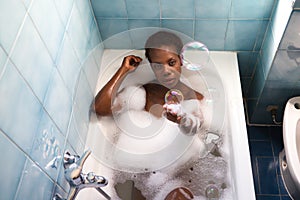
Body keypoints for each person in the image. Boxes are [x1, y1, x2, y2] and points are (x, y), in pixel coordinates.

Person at [94, 31, 205, 136]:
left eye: (171, 63)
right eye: (157, 66)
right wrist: (123, 70)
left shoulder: (195, 99)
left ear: (181, 60)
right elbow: (101, 110)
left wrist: (182, 119)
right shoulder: (145, 91)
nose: (166, 71)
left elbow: (196, 132)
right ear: (151, 67)